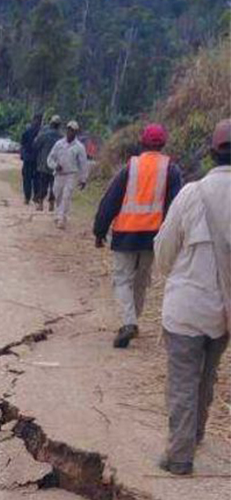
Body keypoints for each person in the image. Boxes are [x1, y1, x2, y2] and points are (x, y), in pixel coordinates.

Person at [154, 119, 231, 476]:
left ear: (213, 153)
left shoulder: (191, 193)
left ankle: (181, 455)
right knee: (207, 375)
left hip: (187, 307)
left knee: (184, 379)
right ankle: (196, 433)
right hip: (225, 311)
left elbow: (165, 248)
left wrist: (171, 273)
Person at [93, 124, 183, 349]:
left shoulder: (131, 167)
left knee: (122, 279)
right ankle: (132, 320)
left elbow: (111, 200)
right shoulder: (171, 170)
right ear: (163, 144)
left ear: (141, 142)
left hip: (126, 233)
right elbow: (177, 208)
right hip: (153, 237)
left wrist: (99, 230)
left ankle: (128, 322)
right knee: (141, 281)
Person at [47, 121, 89, 229]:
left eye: (73, 131)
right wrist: (55, 166)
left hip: (71, 175)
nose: (70, 132)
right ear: (66, 130)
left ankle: (62, 218)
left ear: (76, 132)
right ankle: (58, 214)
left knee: (66, 196)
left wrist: (83, 179)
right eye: (69, 130)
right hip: (59, 175)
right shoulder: (59, 144)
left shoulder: (79, 147)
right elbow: (50, 158)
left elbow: (83, 164)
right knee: (58, 195)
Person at [33, 115, 63, 212]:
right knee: (54, 186)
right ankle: (51, 205)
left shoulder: (44, 135)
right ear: (59, 126)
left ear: (50, 124)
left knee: (43, 185)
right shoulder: (62, 137)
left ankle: (40, 204)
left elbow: (36, 145)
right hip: (56, 166)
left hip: (44, 165)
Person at [20, 113, 44, 205]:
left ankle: (28, 197)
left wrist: (23, 155)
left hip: (29, 159)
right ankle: (34, 197)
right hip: (36, 159)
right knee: (36, 179)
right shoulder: (42, 133)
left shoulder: (27, 131)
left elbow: (22, 145)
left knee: (28, 179)